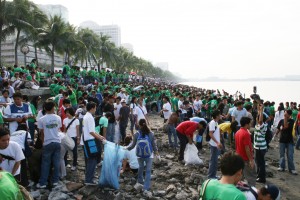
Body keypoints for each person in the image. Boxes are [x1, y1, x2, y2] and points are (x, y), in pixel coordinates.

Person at [126, 119, 158, 193]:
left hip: (140, 155)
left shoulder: (136, 134)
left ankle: (140, 181)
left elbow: (132, 145)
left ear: (139, 125)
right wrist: (156, 152)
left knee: (140, 167)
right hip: (149, 155)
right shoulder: (151, 133)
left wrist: (125, 148)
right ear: (146, 123)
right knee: (148, 170)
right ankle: (146, 187)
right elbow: (154, 144)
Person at [36, 101, 62, 188]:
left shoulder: (41, 119)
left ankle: (43, 182)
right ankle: (55, 181)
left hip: (47, 142)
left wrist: (43, 142)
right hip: (57, 142)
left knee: (45, 163)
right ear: (52, 108)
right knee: (56, 162)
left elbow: (41, 133)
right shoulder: (58, 118)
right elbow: (58, 129)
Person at [80, 102, 105, 185]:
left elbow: (92, 130)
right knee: (92, 160)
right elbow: (91, 132)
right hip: (90, 141)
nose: (96, 109)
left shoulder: (86, 116)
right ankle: (89, 180)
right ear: (92, 108)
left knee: (90, 159)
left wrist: (100, 136)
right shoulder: (89, 117)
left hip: (87, 140)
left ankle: (90, 177)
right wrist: (100, 138)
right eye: (95, 107)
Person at [235, 117, 256, 186]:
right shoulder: (246, 134)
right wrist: (251, 160)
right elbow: (247, 148)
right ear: (246, 124)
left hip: (239, 157)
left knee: (240, 177)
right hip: (245, 158)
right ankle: (252, 193)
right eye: (250, 124)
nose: (250, 125)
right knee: (251, 177)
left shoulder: (237, 132)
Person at [275, 109, 297, 175]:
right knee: (282, 154)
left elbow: (286, 126)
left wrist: (285, 118)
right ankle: (282, 166)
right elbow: (279, 128)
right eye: (285, 113)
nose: (285, 114)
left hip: (290, 140)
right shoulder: (281, 121)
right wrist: (275, 135)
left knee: (290, 155)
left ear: (289, 115)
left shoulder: (292, 121)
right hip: (282, 140)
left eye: (286, 113)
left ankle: (292, 169)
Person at [253, 105, 268, 183]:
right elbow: (259, 119)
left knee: (260, 163)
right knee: (258, 162)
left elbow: (260, 120)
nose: (257, 118)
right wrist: (259, 110)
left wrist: (261, 111)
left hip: (260, 148)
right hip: (258, 147)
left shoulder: (262, 126)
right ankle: (259, 176)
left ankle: (261, 178)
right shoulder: (259, 125)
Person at [207, 110, 223, 179]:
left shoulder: (216, 122)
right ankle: (211, 176)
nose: (220, 116)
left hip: (215, 144)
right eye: (219, 114)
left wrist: (219, 142)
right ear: (217, 116)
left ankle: (213, 175)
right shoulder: (213, 123)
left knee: (215, 160)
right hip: (213, 144)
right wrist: (217, 142)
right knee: (213, 160)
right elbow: (210, 133)